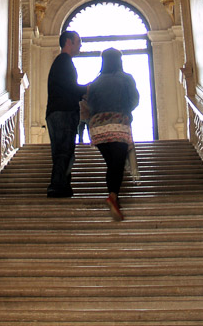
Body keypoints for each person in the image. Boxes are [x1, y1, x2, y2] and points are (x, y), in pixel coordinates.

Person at [87, 47, 139, 221]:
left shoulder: (95, 81)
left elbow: (90, 105)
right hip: (118, 123)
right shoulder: (126, 78)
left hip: (97, 127)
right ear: (119, 61)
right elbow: (134, 100)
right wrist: (123, 110)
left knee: (112, 163)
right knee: (116, 165)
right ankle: (113, 196)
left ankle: (113, 196)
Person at [45, 30, 86, 197]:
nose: (80, 45)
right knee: (64, 151)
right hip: (63, 113)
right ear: (69, 42)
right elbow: (69, 87)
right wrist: (86, 89)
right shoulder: (64, 61)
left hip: (57, 112)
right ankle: (57, 187)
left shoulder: (61, 62)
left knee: (62, 151)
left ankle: (63, 187)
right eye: (79, 41)